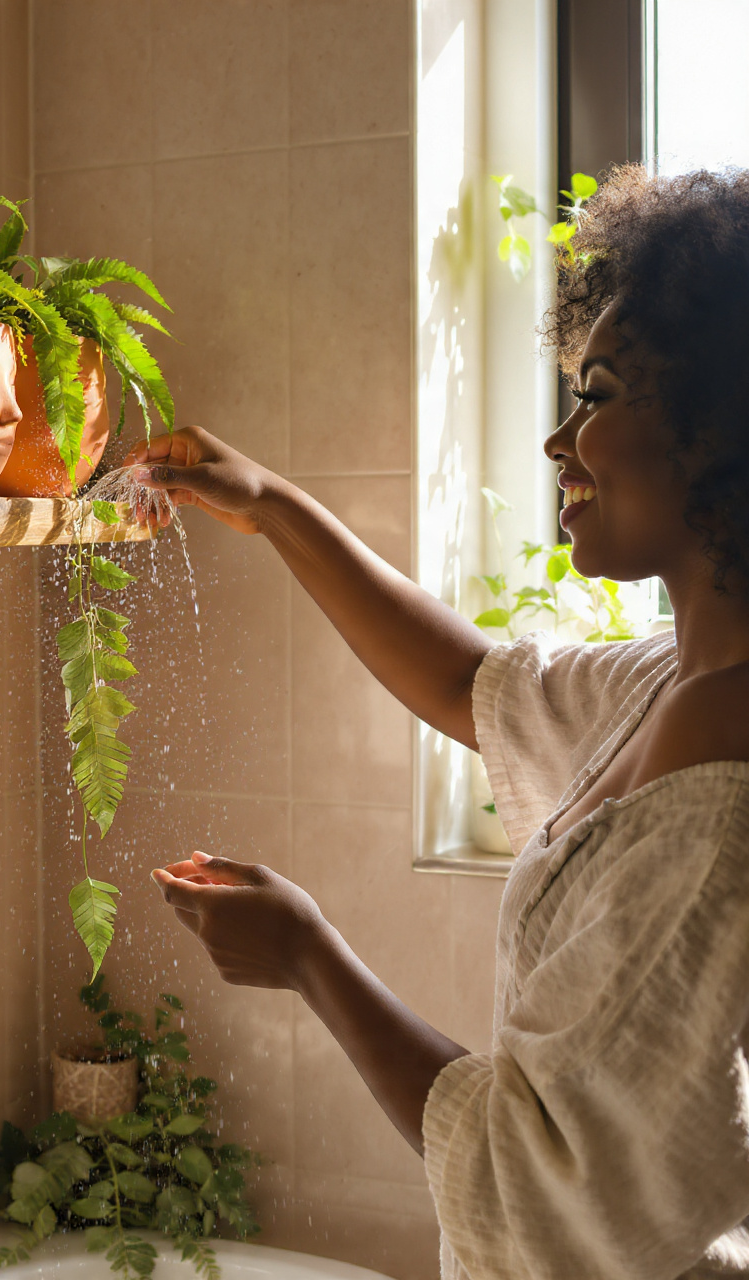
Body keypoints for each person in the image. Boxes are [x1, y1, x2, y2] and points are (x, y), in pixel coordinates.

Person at [132, 165, 749, 1279]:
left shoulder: (726, 779)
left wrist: (308, 956)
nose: (559, 439)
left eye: (598, 394)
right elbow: (471, 681)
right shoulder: (679, 679)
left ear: (724, 423)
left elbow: (538, 1187)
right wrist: (270, 505)